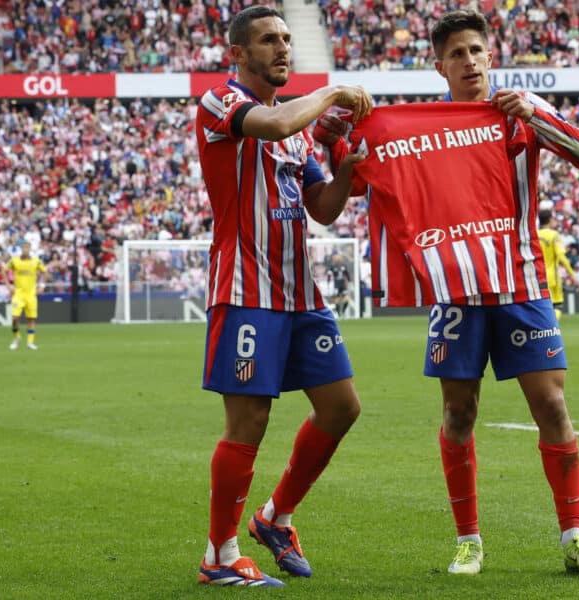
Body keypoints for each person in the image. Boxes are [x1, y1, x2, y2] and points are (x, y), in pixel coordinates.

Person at [317, 8, 579, 578]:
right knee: (459, 412)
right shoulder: (420, 125)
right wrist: (342, 115)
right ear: (439, 66)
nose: (469, 61)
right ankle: (468, 540)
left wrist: (535, 119)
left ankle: (575, 537)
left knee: (551, 404)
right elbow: (337, 157)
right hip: (455, 291)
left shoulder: (522, 109)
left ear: (490, 56)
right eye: (457, 54)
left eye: (476, 50)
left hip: (521, 281)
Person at [193, 6, 371, 587]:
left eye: (288, 39)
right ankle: (219, 556)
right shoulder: (220, 103)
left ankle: (275, 518)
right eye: (269, 40)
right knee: (250, 419)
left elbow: (322, 209)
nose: (283, 48)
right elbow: (267, 127)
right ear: (240, 53)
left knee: (341, 407)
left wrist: (346, 162)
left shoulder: (296, 134)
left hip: (300, 294)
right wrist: (332, 93)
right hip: (246, 290)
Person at [539, 209, 579, 319]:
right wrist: (573, 276)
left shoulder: (535, 234)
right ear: (550, 219)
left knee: (541, 307)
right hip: (552, 277)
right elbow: (561, 257)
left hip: (537, 277)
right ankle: (551, 332)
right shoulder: (554, 235)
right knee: (557, 306)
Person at [4, 242, 46, 350]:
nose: (25, 249)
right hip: (18, 294)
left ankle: (30, 342)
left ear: (30, 249)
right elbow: (4, 270)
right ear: (21, 249)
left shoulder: (36, 261)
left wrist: (42, 286)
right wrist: (8, 285)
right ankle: (16, 337)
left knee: (31, 319)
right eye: (23, 248)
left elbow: (44, 272)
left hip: (31, 294)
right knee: (14, 318)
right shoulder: (15, 260)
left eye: (27, 248)